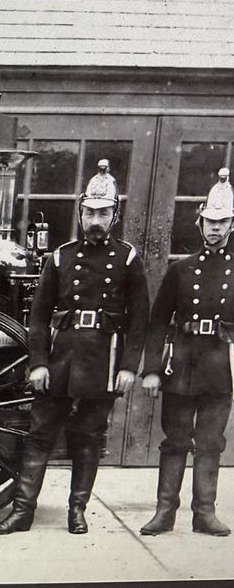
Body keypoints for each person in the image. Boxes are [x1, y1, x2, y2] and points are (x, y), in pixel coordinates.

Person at [0, 160, 149, 536]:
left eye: (103, 213)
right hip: (61, 358)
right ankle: (22, 513)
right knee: (40, 433)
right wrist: (38, 363)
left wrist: (129, 367)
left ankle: (77, 511)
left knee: (89, 436)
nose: (95, 220)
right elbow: (40, 316)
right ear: (80, 214)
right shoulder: (59, 256)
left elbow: (139, 319)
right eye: (89, 212)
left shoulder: (128, 258)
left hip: (103, 358)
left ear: (115, 215)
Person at [139, 168, 234, 537]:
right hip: (180, 364)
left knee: (210, 442)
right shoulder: (181, 270)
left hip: (219, 365)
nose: (215, 228)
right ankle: (165, 512)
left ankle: (204, 513)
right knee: (175, 439)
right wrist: (150, 369)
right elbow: (158, 321)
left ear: (232, 224)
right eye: (209, 221)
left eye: (222, 221)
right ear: (200, 222)